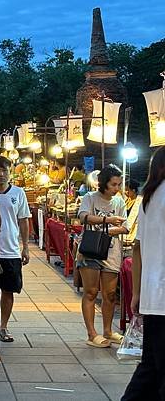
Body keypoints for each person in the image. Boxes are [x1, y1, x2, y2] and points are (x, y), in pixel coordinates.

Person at [122, 147, 165, 400]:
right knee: (155, 367)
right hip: (160, 295)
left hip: (151, 294)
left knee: (150, 364)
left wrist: (137, 292)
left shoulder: (148, 198)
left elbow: (137, 248)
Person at [77, 164, 128, 348]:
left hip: (112, 251)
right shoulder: (90, 198)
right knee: (90, 292)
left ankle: (108, 330)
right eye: (113, 184)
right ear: (104, 183)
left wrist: (111, 229)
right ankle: (92, 333)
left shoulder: (119, 202)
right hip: (90, 249)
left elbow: (125, 226)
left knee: (110, 294)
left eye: (119, 184)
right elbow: (83, 216)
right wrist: (107, 220)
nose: (117, 188)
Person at [0, 156, 31, 343]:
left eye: (4, 170)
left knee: (8, 291)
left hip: (11, 250)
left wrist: (26, 247)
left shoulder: (18, 193)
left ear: (10, 171)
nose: (1, 174)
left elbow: (23, 220)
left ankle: (3, 326)